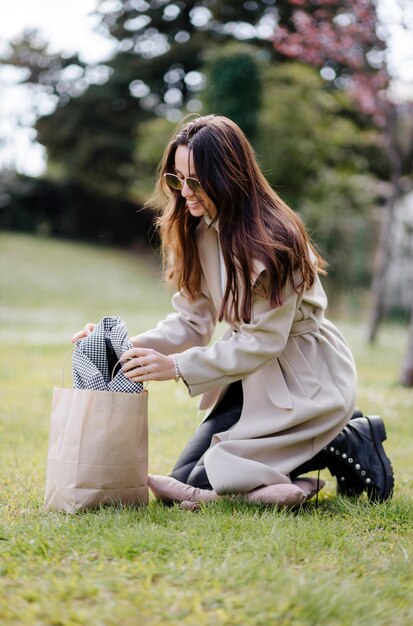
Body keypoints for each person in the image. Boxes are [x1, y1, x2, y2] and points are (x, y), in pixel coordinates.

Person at [72, 114, 394, 508]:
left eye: (195, 182)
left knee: (212, 484)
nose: (184, 192)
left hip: (304, 381)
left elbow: (263, 342)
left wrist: (174, 368)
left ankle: (340, 438)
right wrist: (119, 346)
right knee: (185, 483)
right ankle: (288, 482)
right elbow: (191, 321)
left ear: (228, 176)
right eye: (177, 179)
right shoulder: (194, 225)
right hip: (247, 378)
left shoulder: (275, 242)